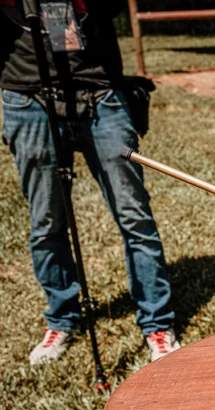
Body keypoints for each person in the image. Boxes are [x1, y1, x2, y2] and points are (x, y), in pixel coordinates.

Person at [1, 0, 179, 364]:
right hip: (27, 98)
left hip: (100, 96)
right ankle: (61, 317)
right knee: (46, 220)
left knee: (134, 216)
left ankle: (157, 323)